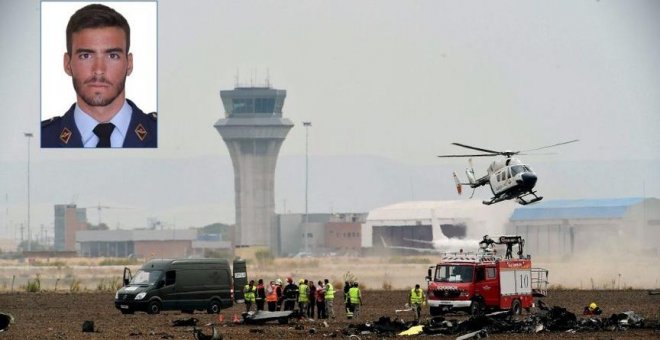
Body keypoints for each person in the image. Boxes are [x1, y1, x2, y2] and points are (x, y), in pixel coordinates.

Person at [42, 3, 157, 148]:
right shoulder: (40, 140)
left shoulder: (165, 135)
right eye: (85, 56)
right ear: (67, 64)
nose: (98, 70)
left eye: (112, 55)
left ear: (129, 64)